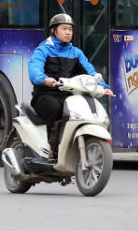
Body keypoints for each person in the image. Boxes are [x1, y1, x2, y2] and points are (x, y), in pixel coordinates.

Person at [28, 13, 106, 157]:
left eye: (70, 29)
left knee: (82, 110)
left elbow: (91, 72)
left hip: (69, 95)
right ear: (53, 30)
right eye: (64, 28)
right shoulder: (43, 50)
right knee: (57, 109)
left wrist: (104, 87)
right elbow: (34, 69)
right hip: (45, 95)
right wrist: (44, 79)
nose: (68, 32)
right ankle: (53, 149)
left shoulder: (76, 52)